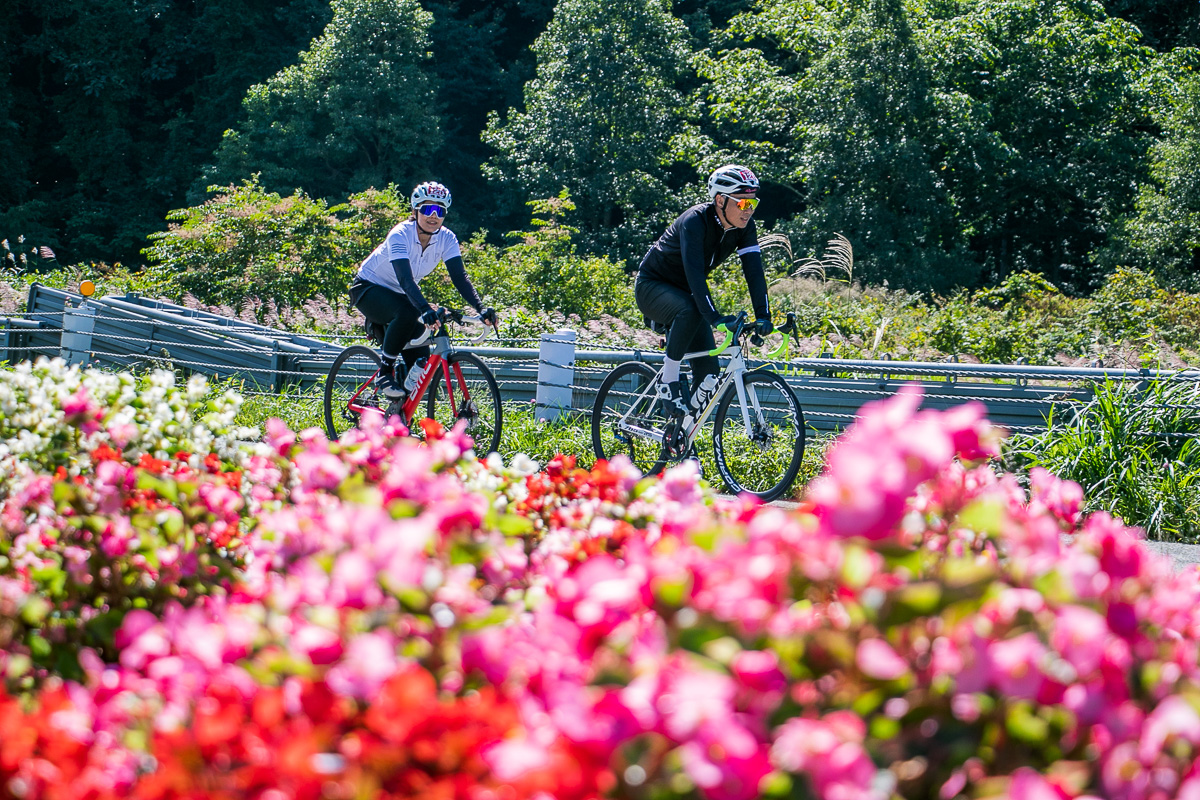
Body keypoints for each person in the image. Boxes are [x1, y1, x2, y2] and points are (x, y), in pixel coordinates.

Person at [635, 164, 773, 423]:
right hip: (652, 286)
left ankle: (681, 439)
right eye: (743, 204)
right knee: (689, 307)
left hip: (687, 295)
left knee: (709, 374)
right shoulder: (694, 221)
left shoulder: (744, 227)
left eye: (753, 203)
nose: (749, 210)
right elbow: (695, 274)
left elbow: (754, 271)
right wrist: (715, 318)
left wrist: (764, 315)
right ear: (720, 200)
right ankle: (668, 379)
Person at [349, 181, 498, 398]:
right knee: (409, 313)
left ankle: (399, 406)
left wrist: (481, 307)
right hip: (369, 287)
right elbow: (405, 278)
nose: (433, 216)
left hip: (402, 294)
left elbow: (459, 277)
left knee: (420, 363)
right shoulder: (400, 234)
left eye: (440, 211)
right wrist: (423, 307)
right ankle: (385, 371)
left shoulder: (447, 238)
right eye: (428, 209)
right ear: (415, 210)